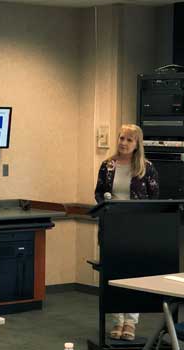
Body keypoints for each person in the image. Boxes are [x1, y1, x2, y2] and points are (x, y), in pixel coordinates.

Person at [94, 124, 159, 341]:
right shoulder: (108, 165)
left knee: (133, 275)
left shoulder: (146, 168)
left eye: (129, 140)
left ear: (137, 144)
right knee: (112, 274)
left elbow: (153, 199)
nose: (123, 142)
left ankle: (130, 322)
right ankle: (117, 321)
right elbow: (98, 192)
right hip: (112, 227)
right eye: (121, 138)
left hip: (136, 230)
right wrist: (106, 206)